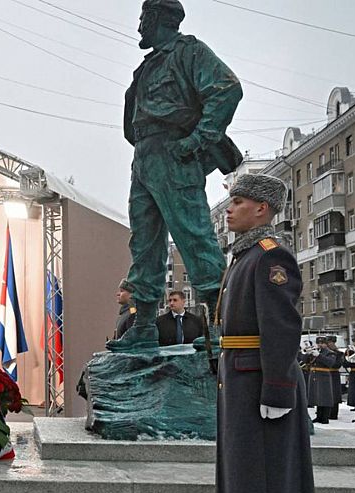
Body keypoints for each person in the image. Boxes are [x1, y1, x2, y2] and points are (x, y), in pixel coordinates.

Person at [110, 0, 243, 351]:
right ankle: (143, 325)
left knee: (194, 235)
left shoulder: (189, 52)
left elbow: (227, 89)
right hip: (146, 156)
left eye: (143, 18)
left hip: (174, 153)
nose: (139, 26)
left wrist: (198, 140)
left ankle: (217, 326)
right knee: (144, 242)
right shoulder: (148, 66)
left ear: (158, 18)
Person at [216, 173, 314, 493]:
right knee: (243, 476)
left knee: (265, 479)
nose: (229, 210)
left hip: (258, 381)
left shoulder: (270, 256)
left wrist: (277, 390)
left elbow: (281, 327)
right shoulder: (245, 257)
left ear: (261, 208)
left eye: (237, 202)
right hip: (242, 379)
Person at [303, 336, 340, 424]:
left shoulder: (330, 353)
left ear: (326, 344)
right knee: (317, 397)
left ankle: (325, 418)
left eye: (322, 343)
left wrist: (319, 356)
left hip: (324, 376)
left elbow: (330, 363)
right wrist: (307, 354)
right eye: (318, 343)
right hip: (315, 376)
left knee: (325, 397)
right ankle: (319, 416)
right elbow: (305, 361)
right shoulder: (315, 351)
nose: (320, 345)